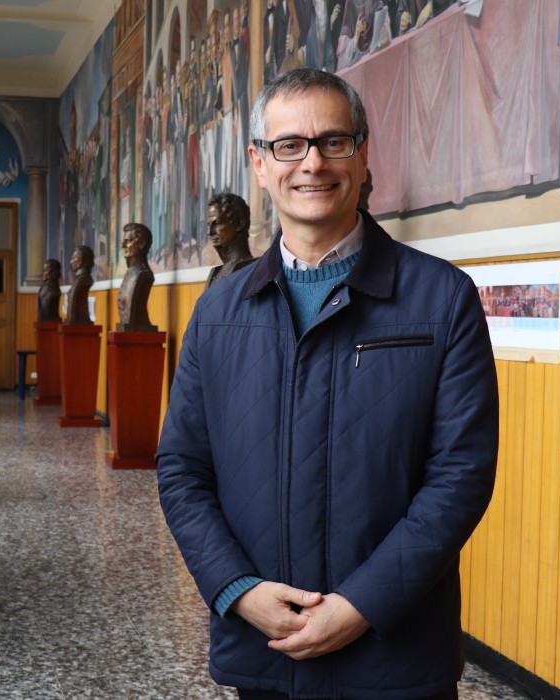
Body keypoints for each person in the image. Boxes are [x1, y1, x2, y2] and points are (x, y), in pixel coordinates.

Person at [156, 68, 499, 700]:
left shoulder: (442, 298)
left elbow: (461, 474)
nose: (312, 163)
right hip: (262, 649)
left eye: (333, 141)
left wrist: (363, 604)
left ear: (363, 155)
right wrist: (238, 590)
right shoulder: (219, 311)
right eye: (289, 145)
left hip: (393, 656)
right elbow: (182, 468)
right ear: (260, 164)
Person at [204, 192, 256, 289]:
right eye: (209, 225)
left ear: (239, 224)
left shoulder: (253, 269)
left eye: (217, 223)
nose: (210, 232)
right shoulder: (215, 273)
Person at [116, 223, 157, 332]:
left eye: (128, 241)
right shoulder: (130, 273)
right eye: (123, 241)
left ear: (141, 244)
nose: (123, 246)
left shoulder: (142, 274)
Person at [64, 245, 94, 325]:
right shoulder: (78, 280)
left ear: (80, 261)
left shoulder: (82, 280)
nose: (71, 262)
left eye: (73, 259)